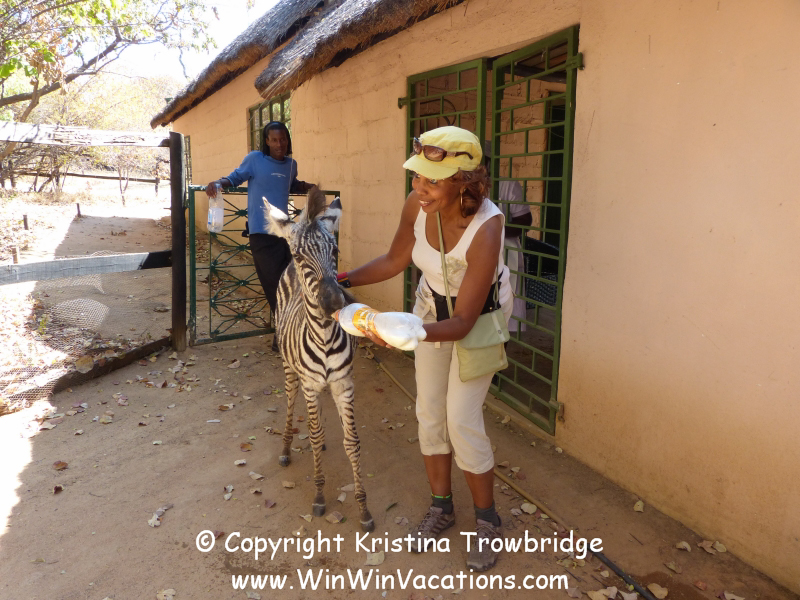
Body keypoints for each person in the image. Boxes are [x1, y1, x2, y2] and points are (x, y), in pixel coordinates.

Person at [337, 126, 513, 572]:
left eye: (432, 180)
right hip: (431, 309)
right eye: (417, 176)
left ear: (464, 182)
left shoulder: (487, 226)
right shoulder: (417, 205)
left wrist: (403, 334)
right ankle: (441, 507)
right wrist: (340, 281)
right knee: (430, 412)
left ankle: (488, 521)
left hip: (477, 319)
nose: (420, 187)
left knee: (461, 418)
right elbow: (395, 260)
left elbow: (464, 321)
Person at [206, 121, 314, 353]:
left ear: (288, 140)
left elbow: (290, 184)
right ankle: (285, 336)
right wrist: (217, 183)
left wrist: (307, 186)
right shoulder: (255, 159)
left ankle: (285, 335)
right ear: (266, 141)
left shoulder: (291, 165)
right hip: (262, 235)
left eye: (283, 139)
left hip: (286, 235)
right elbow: (235, 178)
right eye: (274, 140)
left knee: (293, 284)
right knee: (275, 287)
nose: (279, 144)